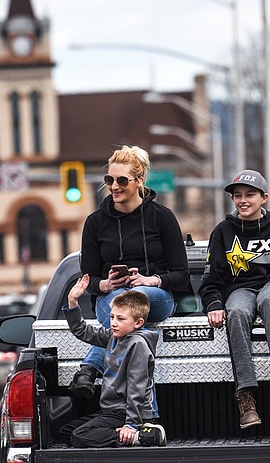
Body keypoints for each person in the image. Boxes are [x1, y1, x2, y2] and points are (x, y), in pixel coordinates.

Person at [70, 144, 189, 402]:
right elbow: (89, 277)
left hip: (155, 297)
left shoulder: (162, 218)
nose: (114, 186)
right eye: (109, 179)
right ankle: (146, 416)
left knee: (131, 297)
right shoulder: (94, 222)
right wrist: (105, 284)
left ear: (139, 181)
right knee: (131, 330)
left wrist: (152, 279)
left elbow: (182, 275)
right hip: (110, 299)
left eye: (122, 180)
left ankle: (90, 368)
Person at [199, 169, 270, 429]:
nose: (243, 200)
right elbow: (210, 280)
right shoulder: (222, 232)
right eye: (237, 196)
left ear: (264, 197)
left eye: (250, 194)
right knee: (235, 311)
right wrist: (214, 305)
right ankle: (246, 396)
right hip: (239, 289)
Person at [61, 274, 166, 447]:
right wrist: (73, 301)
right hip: (110, 411)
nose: (114, 323)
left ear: (138, 323)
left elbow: (137, 387)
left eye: (121, 319)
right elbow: (82, 331)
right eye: (112, 317)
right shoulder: (114, 337)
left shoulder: (138, 344)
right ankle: (122, 435)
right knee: (65, 432)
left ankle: (140, 437)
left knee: (79, 436)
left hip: (124, 413)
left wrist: (131, 424)